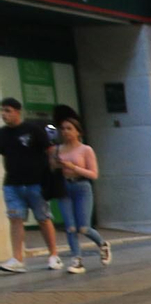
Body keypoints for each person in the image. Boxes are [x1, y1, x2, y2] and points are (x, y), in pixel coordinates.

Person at [0, 98, 59, 274]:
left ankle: (53, 255)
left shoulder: (33, 129)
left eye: (8, 111)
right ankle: (18, 259)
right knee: (15, 219)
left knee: (43, 218)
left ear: (18, 112)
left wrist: (51, 176)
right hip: (12, 184)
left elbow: (50, 152)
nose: (4, 114)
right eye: (2, 111)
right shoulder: (2, 133)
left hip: (36, 183)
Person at [53, 117, 110, 274]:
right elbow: (51, 169)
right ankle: (77, 259)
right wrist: (56, 165)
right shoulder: (58, 149)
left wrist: (74, 167)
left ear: (78, 131)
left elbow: (93, 174)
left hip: (81, 187)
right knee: (70, 228)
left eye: (69, 128)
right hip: (64, 187)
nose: (65, 131)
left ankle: (102, 244)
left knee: (83, 227)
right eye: (63, 128)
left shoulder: (86, 150)